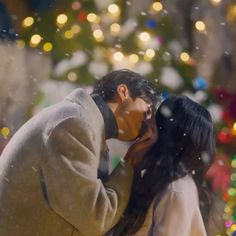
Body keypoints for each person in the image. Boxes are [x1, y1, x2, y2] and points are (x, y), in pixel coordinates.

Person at [0, 69, 159, 236]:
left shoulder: (80, 119)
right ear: (123, 92)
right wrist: (130, 163)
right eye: (148, 111)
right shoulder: (75, 124)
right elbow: (95, 218)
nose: (149, 124)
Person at [112, 95, 216, 236]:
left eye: (155, 121)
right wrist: (131, 163)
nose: (147, 124)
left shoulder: (175, 191)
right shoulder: (166, 182)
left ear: (166, 134)